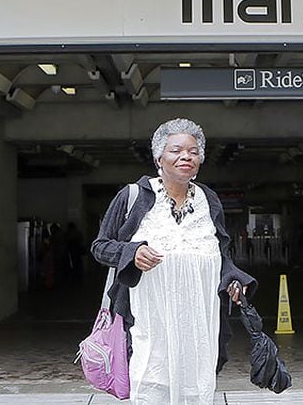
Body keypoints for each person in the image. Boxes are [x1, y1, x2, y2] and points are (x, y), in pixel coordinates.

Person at [91, 118, 256, 404]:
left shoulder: (210, 200)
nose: (186, 157)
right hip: (150, 322)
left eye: (193, 152)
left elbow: (222, 254)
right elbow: (100, 246)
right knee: (152, 384)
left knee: (197, 388)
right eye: (176, 150)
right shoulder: (134, 196)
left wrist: (232, 279)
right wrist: (132, 253)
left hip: (200, 324)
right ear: (159, 157)